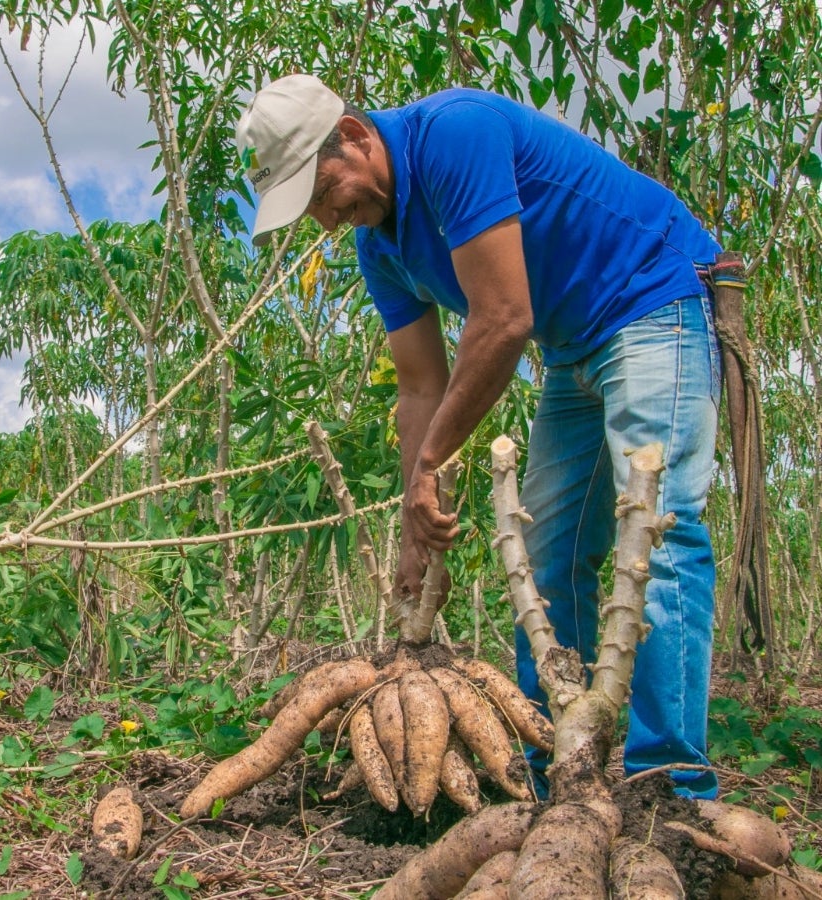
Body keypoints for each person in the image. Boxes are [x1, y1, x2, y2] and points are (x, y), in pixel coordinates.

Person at [236, 73, 722, 800]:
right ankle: (562, 771)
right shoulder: (382, 249)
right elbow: (419, 388)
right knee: (550, 560)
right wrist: (412, 519)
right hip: (573, 350)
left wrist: (434, 459)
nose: (329, 221)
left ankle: (672, 786)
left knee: (657, 538)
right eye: (310, 211)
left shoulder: (454, 134)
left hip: (651, 301)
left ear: (354, 135)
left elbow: (503, 318)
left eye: (322, 193)